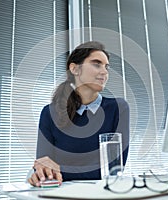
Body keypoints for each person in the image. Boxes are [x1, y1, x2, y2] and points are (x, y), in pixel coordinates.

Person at [28, 41, 130, 187]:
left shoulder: (118, 108)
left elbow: (113, 169)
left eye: (106, 67)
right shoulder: (49, 113)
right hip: (62, 194)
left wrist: (60, 169)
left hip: (103, 193)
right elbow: (45, 167)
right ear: (75, 69)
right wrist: (42, 173)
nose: (104, 72)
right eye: (96, 64)